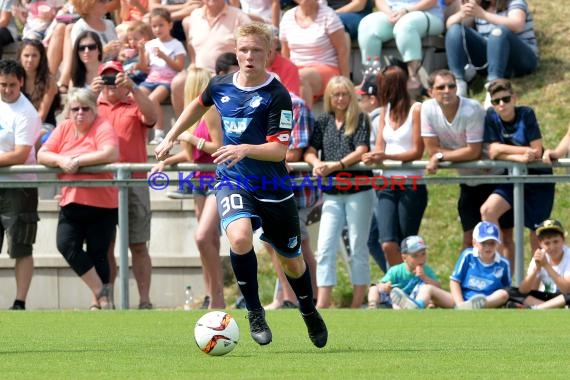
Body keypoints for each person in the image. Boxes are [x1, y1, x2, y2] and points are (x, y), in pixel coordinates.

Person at [155, 22, 327, 348]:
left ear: (269, 54)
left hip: (273, 186)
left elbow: (279, 150)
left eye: (257, 50)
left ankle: (308, 309)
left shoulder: (277, 96)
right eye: (244, 49)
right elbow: (197, 105)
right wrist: (171, 135)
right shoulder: (220, 85)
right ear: (237, 51)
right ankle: (255, 311)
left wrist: (245, 148)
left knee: (292, 259)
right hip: (233, 181)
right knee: (239, 236)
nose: (249, 56)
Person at [37, 88, 119, 310]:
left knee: (98, 254)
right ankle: (101, 292)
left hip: (102, 203)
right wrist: (62, 161)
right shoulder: (64, 127)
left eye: (85, 109)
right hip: (71, 200)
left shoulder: (102, 126)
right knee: (66, 244)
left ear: (94, 110)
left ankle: (99, 304)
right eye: (75, 109)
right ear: (68, 111)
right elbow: (42, 154)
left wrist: (77, 160)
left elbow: (110, 152)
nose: (80, 114)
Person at [151, 67, 225, 309]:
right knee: (208, 242)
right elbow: (189, 155)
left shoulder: (211, 111)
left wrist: (193, 139)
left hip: (216, 180)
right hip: (199, 180)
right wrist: (166, 162)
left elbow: (218, 148)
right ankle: (210, 294)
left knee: (203, 237)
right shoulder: (191, 116)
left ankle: (217, 296)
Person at [421, 69, 513, 256]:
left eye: (451, 86)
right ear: (431, 92)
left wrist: (441, 156)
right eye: (441, 87)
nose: (447, 90)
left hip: (495, 176)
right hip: (469, 180)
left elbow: (474, 151)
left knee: (503, 235)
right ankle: (465, 283)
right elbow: (432, 149)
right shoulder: (428, 109)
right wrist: (442, 154)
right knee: (469, 237)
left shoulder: (472, 109)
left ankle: (508, 283)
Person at [304, 75, 375, 309]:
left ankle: (357, 302)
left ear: (351, 96)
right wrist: (316, 163)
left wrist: (337, 165)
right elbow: (310, 150)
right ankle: (323, 302)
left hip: (358, 190)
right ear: (329, 97)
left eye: (344, 93)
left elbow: (362, 149)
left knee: (357, 245)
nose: (341, 98)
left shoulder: (361, 119)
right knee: (324, 247)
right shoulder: (323, 120)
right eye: (336, 94)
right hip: (333, 193)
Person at [92, 61, 156, 309]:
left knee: (138, 244)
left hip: (133, 181)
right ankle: (105, 301)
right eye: (105, 79)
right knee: (104, 245)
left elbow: (152, 116)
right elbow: (70, 125)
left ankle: (144, 301)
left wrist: (134, 88)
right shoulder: (91, 106)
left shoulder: (134, 102)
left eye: (114, 78)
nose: (110, 84)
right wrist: (90, 91)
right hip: (102, 184)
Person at [480, 79, 554, 265]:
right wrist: (519, 156)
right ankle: (497, 269)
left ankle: (537, 283)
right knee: (488, 210)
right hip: (513, 175)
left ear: (514, 98)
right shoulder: (491, 116)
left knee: (536, 234)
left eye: (505, 99)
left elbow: (536, 151)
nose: (501, 104)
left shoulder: (526, 113)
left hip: (538, 179)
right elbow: (492, 151)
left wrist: (504, 151)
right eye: (496, 101)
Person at [362, 65, 427, 266]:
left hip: (411, 183)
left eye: (383, 85)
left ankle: (409, 287)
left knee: (406, 243)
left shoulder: (417, 109)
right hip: (387, 183)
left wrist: (386, 155)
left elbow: (417, 151)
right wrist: (373, 157)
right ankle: (401, 285)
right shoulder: (384, 112)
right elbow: (380, 146)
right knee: (388, 243)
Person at [265, 91, 318, 310]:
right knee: (272, 243)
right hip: (269, 187)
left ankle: (311, 298)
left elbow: (294, 152)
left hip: (297, 191)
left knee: (298, 244)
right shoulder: (257, 103)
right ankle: (288, 297)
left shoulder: (296, 105)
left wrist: (272, 158)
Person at [0, 60, 42, 310]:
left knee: (21, 246)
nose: (6, 90)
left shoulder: (27, 112)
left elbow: (20, 154)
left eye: (12, 85)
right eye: (2, 85)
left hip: (19, 187)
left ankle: (19, 301)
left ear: (22, 83)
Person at [169, 0, 251, 117]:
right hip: (199, 73)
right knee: (178, 82)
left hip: (227, 74)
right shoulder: (193, 17)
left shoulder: (240, 18)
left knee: (211, 85)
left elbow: (250, 51)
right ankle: (184, 131)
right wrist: (192, 65)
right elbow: (191, 46)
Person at [444, 0, 538, 97]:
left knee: (498, 32)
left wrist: (483, 14)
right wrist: (462, 14)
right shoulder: (480, 7)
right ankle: (458, 82)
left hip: (520, 61)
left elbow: (517, 25)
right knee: (455, 29)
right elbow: (450, 26)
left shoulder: (515, 2)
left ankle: (494, 85)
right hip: (491, 61)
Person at [357, 0, 444, 91]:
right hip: (394, 13)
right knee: (366, 24)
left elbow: (432, 1)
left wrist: (406, 11)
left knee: (405, 25)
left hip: (426, 12)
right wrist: (389, 13)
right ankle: (372, 77)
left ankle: (413, 76)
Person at [279, 0, 349, 108]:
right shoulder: (287, 17)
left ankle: (304, 121)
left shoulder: (328, 15)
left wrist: (345, 83)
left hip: (326, 67)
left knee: (299, 77)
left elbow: (342, 50)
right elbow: (285, 53)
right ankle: (288, 122)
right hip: (296, 69)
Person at [138, 7, 186, 144]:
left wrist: (164, 56)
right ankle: (141, 133)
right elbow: (143, 67)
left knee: (152, 99)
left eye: (161, 25)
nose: (157, 29)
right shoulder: (150, 44)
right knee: (136, 96)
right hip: (150, 80)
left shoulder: (176, 45)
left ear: (170, 25)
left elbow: (179, 67)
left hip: (166, 82)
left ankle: (159, 133)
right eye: (154, 26)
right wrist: (141, 51)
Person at [357, 74, 386, 273]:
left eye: (361, 98)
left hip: (382, 184)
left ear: (372, 99)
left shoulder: (375, 121)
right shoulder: (382, 118)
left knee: (376, 238)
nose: (360, 103)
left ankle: (401, 283)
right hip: (382, 183)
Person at [506, 219, 570, 310]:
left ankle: (536, 308)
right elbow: (524, 290)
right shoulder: (539, 256)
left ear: (563, 240)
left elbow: (567, 289)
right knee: (510, 291)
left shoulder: (568, 255)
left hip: (564, 297)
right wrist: (536, 270)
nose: (552, 247)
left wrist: (547, 266)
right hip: (546, 297)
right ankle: (547, 307)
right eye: (547, 243)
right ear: (541, 244)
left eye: (556, 241)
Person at [449, 221, 510, 308]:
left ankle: (479, 305)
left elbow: (506, 287)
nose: (488, 247)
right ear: (475, 243)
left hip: (488, 300)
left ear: (497, 244)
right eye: (483, 243)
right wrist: (460, 303)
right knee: (430, 289)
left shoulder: (503, 264)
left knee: (503, 294)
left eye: (492, 243)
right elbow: (454, 281)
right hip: (463, 298)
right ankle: (465, 307)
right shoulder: (468, 255)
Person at [369, 235, 440, 309]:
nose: (421, 258)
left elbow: (437, 289)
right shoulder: (396, 270)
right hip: (394, 299)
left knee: (428, 291)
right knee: (373, 288)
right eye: (415, 256)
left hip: (415, 300)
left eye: (423, 254)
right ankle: (373, 305)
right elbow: (381, 285)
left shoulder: (426, 270)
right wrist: (385, 286)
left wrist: (425, 278)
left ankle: (423, 305)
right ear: (404, 258)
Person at [17, 38, 60, 146]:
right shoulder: (15, 80)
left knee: (34, 138)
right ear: (20, 57)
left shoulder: (49, 81)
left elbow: (41, 116)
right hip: (18, 124)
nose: (30, 60)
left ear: (41, 58)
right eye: (26, 55)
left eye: (34, 56)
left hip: (43, 126)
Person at [118, 20, 152, 85]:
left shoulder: (148, 49)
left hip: (141, 79)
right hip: (129, 78)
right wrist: (121, 57)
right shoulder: (132, 51)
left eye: (136, 39)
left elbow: (144, 66)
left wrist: (141, 51)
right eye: (130, 39)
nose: (132, 42)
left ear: (146, 38)